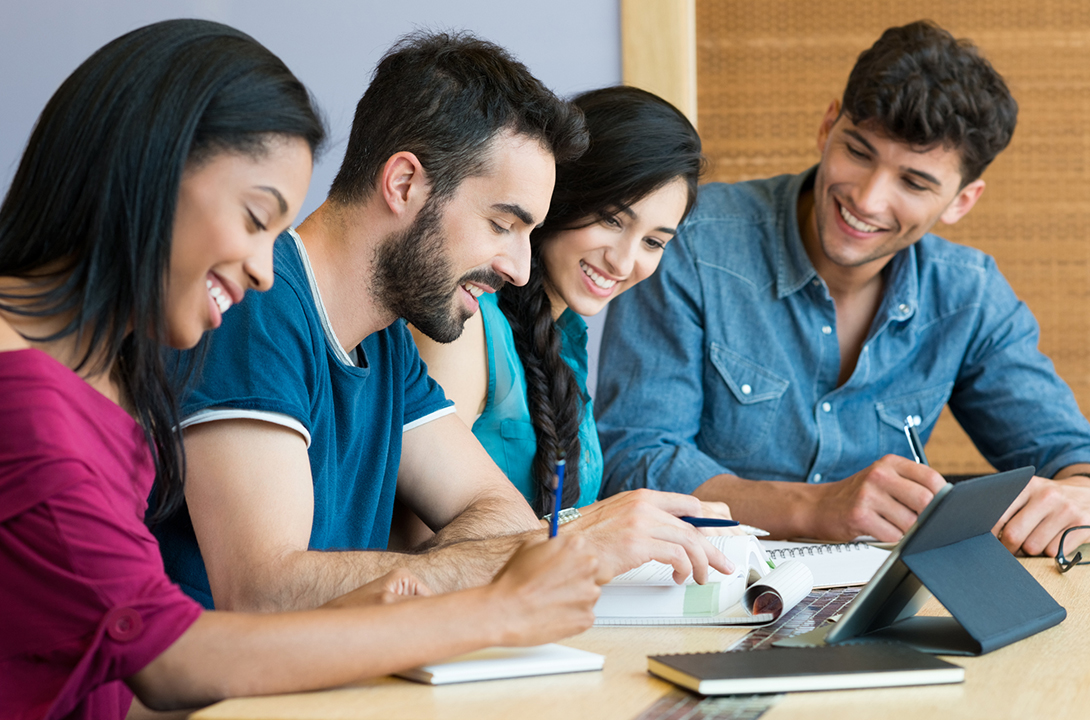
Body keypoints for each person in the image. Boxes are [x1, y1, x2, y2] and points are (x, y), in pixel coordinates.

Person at [0, 20, 602, 719]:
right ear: (153, 176)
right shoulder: (30, 403)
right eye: (256, 218)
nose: (262, 267)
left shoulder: (109, 383)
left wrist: (405, 599)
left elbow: (106, 669)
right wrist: (493, 609)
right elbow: (170, 660)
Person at [155, 32, 733, 614]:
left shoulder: (386, 340)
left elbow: (497, 512)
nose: (519, 267)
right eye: (502, 224)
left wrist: (522, 547)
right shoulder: (258, 301)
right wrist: (576, 539)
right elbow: (263, 590)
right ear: (404, 184)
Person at [596, 20, 1090, 557]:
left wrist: (1076, 496)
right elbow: (635, 458)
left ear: (961, 201)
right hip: (703, 585)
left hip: (881, 601)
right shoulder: (689, 242)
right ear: (828, 126)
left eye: (914, 182)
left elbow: (1069, 453)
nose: (869, 199)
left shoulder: (969, 294)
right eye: (858, 151)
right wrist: (818, 507)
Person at [412, 86, 705, 517]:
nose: (624, 261)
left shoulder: (566, 340)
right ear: (561, 194)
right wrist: (604, 526)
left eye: (653, 242)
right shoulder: (465, 323)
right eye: (611, 219)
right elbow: (416, 545)